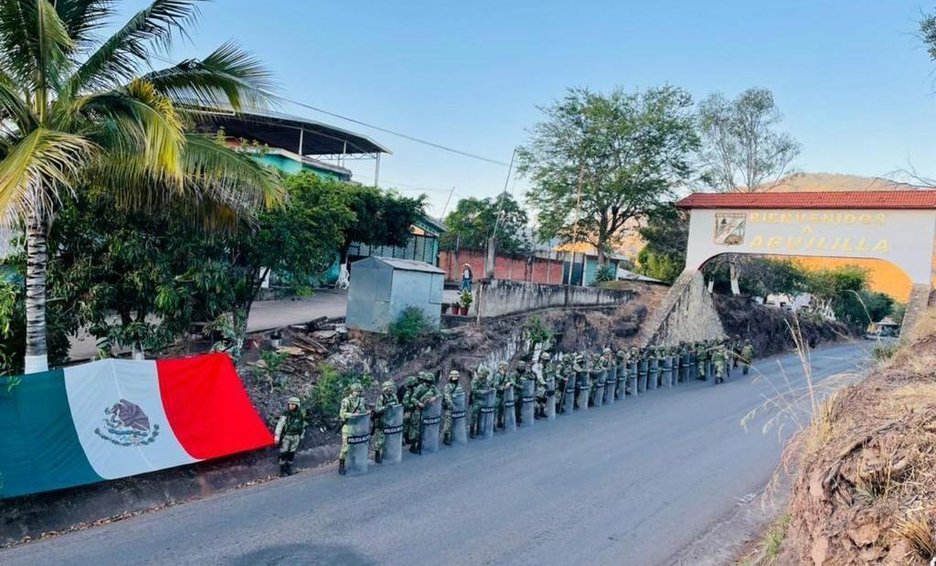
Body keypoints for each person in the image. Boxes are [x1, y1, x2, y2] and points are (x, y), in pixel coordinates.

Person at [338, 383, 367, 476]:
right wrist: (352, 414)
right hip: (348, 426)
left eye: (359, 391)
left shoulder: (360, 400)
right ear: (352, 391)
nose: (358, 393)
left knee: (355, 446)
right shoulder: (346, 401)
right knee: (346, 447)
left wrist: (362, 412)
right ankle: (341, 465)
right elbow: (342, 414)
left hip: (357, 426)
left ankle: (353, 463)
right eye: (356, 391)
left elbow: (363, 410)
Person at [274, 396, 306, 477]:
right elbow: (280, 425)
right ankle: (282, 470)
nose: (291, 406)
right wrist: (277, 436)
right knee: (283, 453)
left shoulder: (300, 415)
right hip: (287, 436)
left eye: (293, 405)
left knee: (291, 453)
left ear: (297, 406)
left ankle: (288, 468)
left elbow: (302, 425)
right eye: (290, 404)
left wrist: (301, 434)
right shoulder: (286, 414)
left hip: (295, 436)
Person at [411, 371, 439, 454]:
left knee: (425, 429)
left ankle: (421, 445)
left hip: (428, 411)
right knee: (417, 430)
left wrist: (435, 397)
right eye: (428, 381)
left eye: (431, 382)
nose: (429, 383)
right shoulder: (420, 387)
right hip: (418, 411)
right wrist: (418, 403)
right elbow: (413, 398)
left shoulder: (433, 387)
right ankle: (413, 446)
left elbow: (440, 394)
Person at [372, 380, 398, 464]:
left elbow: (397, 406)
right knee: (380, 440)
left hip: (390, 420)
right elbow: (377, 409)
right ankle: (377, 454)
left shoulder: (393, 396)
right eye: (390, 388)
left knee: (389, 439)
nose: (391, 390)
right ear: (386, 389)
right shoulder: (381, 398)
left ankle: (386, 453)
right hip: (381, 421)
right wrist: (386, 407)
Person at [441, 370, 463, 446]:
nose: (455, 379)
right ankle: (446, 437)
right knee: (448, 422)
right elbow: (447, 398)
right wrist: (452, 406)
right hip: (450, 408)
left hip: (458, 407)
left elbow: (461, 396)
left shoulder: (459, 386)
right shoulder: (448, 386)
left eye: (456, 378)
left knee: (456, 422)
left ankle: (455, 435)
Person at [469, 366, 491, 437]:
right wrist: (483, 392)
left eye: (486, 375)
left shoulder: (486, 380)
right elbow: (474, 390)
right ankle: (471, 431)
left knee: (481, 416)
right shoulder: (475, 380)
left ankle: (479, 429)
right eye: (484, 374)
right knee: (474, 416)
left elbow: (488, 386)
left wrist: (489, 389)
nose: (485, 376)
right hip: (476, 400)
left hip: (483, 400)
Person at [493, 361, 513, 429]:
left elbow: (511, 380)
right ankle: (493, 424)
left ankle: (499, 422)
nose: (507, 367)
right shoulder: (498, 375)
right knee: (495, 409)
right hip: (497, 395)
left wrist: (510, 383)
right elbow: (496, 385)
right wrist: (504, 387)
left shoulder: (506, 374)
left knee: (501, 408)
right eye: (505, 366)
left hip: (503, 395)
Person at [401, 375, 419, 445]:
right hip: (407, 411)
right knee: (405, 426)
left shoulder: (414, 391)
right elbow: (406, 404)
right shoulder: (407, 393)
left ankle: (410, 439)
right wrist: (414, 405)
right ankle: (404, 439)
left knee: (411, 426)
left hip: (413, 411)